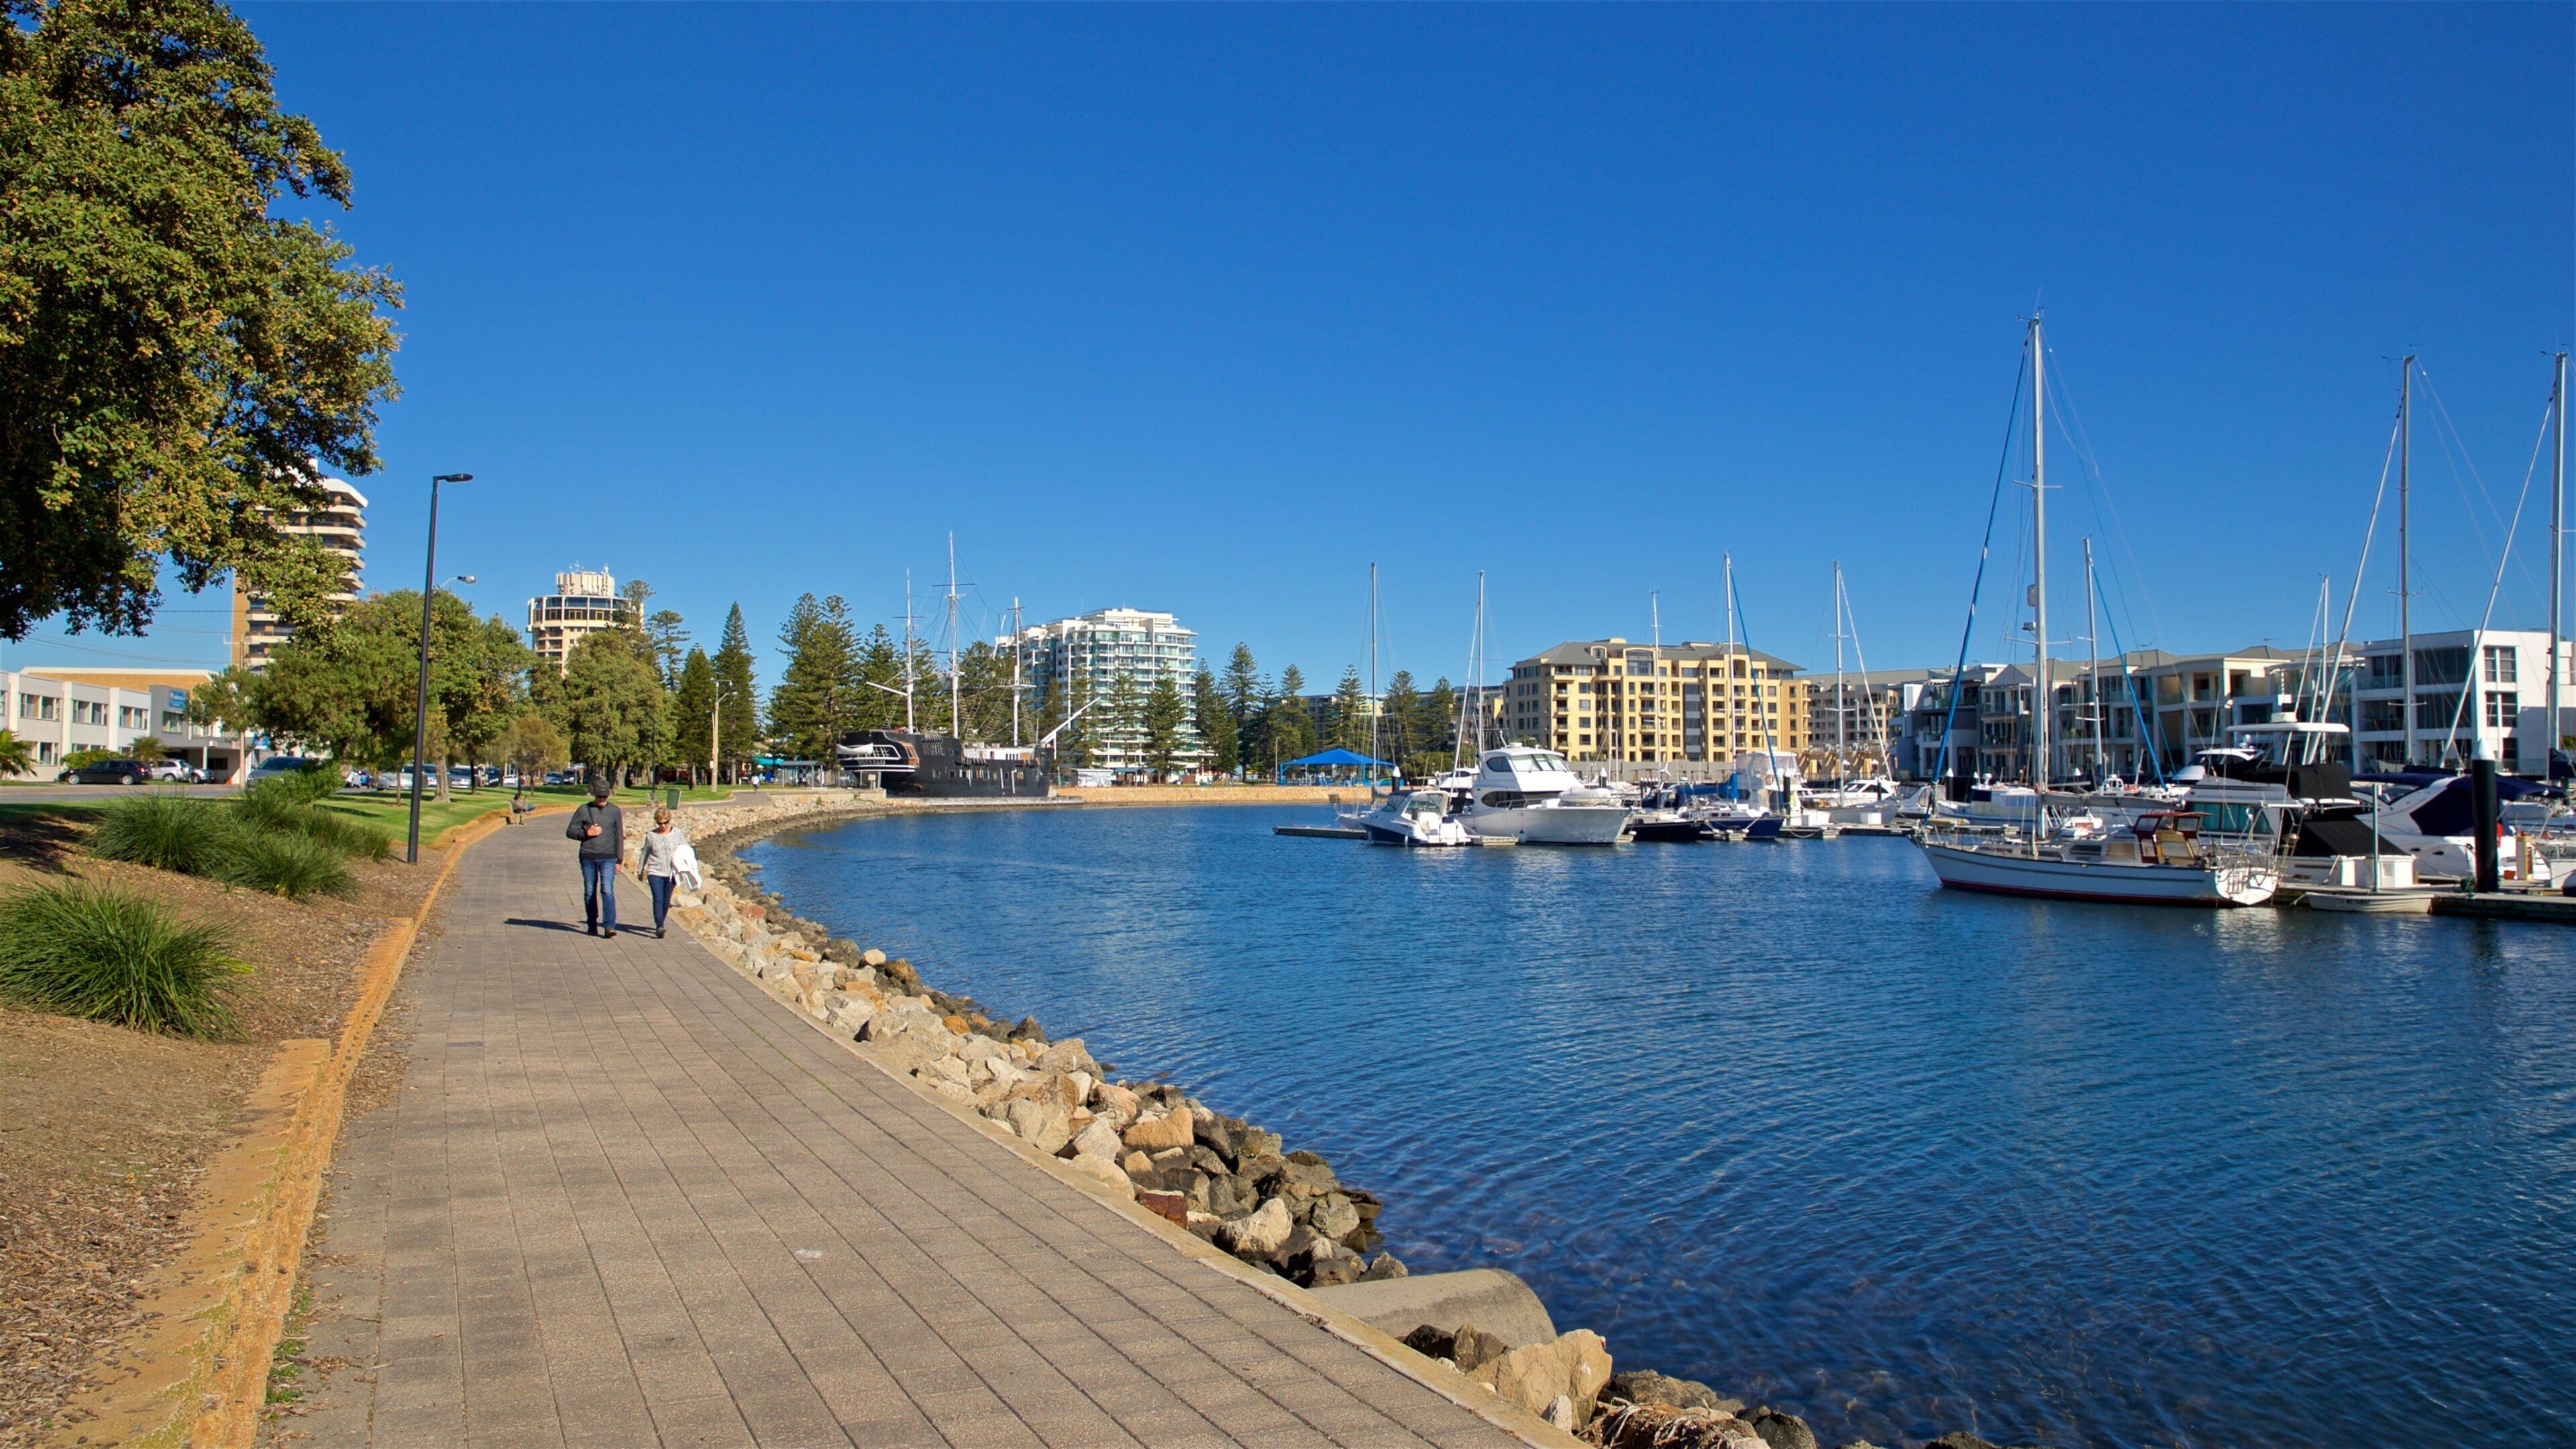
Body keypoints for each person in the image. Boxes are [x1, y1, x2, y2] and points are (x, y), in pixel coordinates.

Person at [566, 777, 624, 937]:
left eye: (604, 797)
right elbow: (570, 831)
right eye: (599, 797)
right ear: (594, 795)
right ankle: (592, 923)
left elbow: (619, 836)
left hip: (608, 856)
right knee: (590, 891)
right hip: (588, 856)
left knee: (607, 890)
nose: (602, 800)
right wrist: (586, 833)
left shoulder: (614, 811)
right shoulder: (584, 810)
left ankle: (609, 926)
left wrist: (619, 860)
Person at [638, 807, 686, 938]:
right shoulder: (651, 835)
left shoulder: (677, 834)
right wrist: (640, 869)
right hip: (655, 871)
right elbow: (645, 853)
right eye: (660, 823)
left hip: (672, 872)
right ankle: (659, 926)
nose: (663, 826)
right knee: (658, 898)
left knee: (666, 900)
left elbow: (685, 851)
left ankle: (662, 921)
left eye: (665, 822)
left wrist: (686, 869)